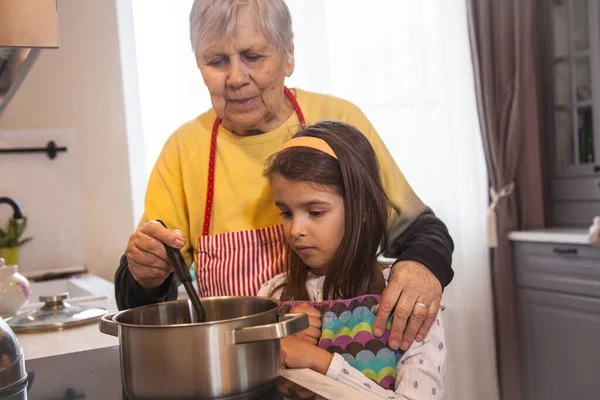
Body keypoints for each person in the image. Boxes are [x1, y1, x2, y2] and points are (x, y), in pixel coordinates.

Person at [115, 0, 454, 351]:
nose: (235, 78)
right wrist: (145, 274)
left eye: (253, 57)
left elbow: (422, 230)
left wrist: (421, 266)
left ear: (288, 54)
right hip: (238, 371)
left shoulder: (338, 120)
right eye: (217, 61)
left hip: (346, 368)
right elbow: (139, 297)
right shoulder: (184, 148)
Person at [257, 121, 446, 399]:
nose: (296, 229)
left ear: (362, 210)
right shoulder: (271, 295)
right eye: (286, 213)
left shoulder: (408, 299)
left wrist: (319, 362)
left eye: (316, 212)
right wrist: (274, 350)